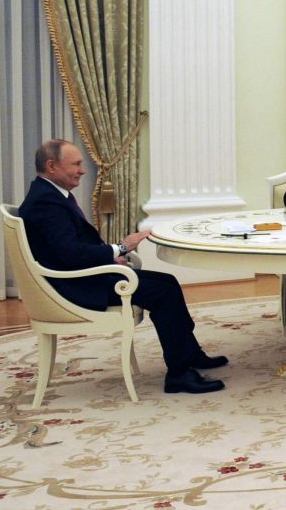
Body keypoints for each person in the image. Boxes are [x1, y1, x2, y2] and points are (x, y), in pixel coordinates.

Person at [17, 140, 227, 394]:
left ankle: (190, 354)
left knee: (167, 282)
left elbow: (67, 250)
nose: (82, 170)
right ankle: (179, 374)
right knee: (163, 293)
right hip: (74, 286)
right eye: (76, 164)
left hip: (81, 276)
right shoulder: (45, 202)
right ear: (52, 166)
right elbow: (70, 253)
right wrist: (121, 248)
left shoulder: (48, 194)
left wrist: (108, 259)